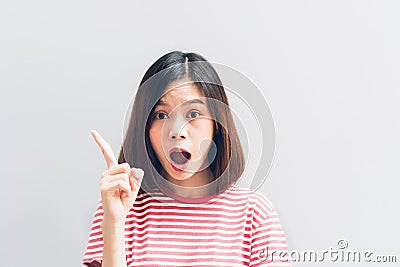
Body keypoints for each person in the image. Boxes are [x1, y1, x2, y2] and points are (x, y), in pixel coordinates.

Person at [82, 51, 292, 267]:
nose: (177, 131)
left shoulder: (254, 214)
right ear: (145, 128)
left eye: (193, 114)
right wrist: (114, 225)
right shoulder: (117, 211)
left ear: (217, 125)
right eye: (161, 115)